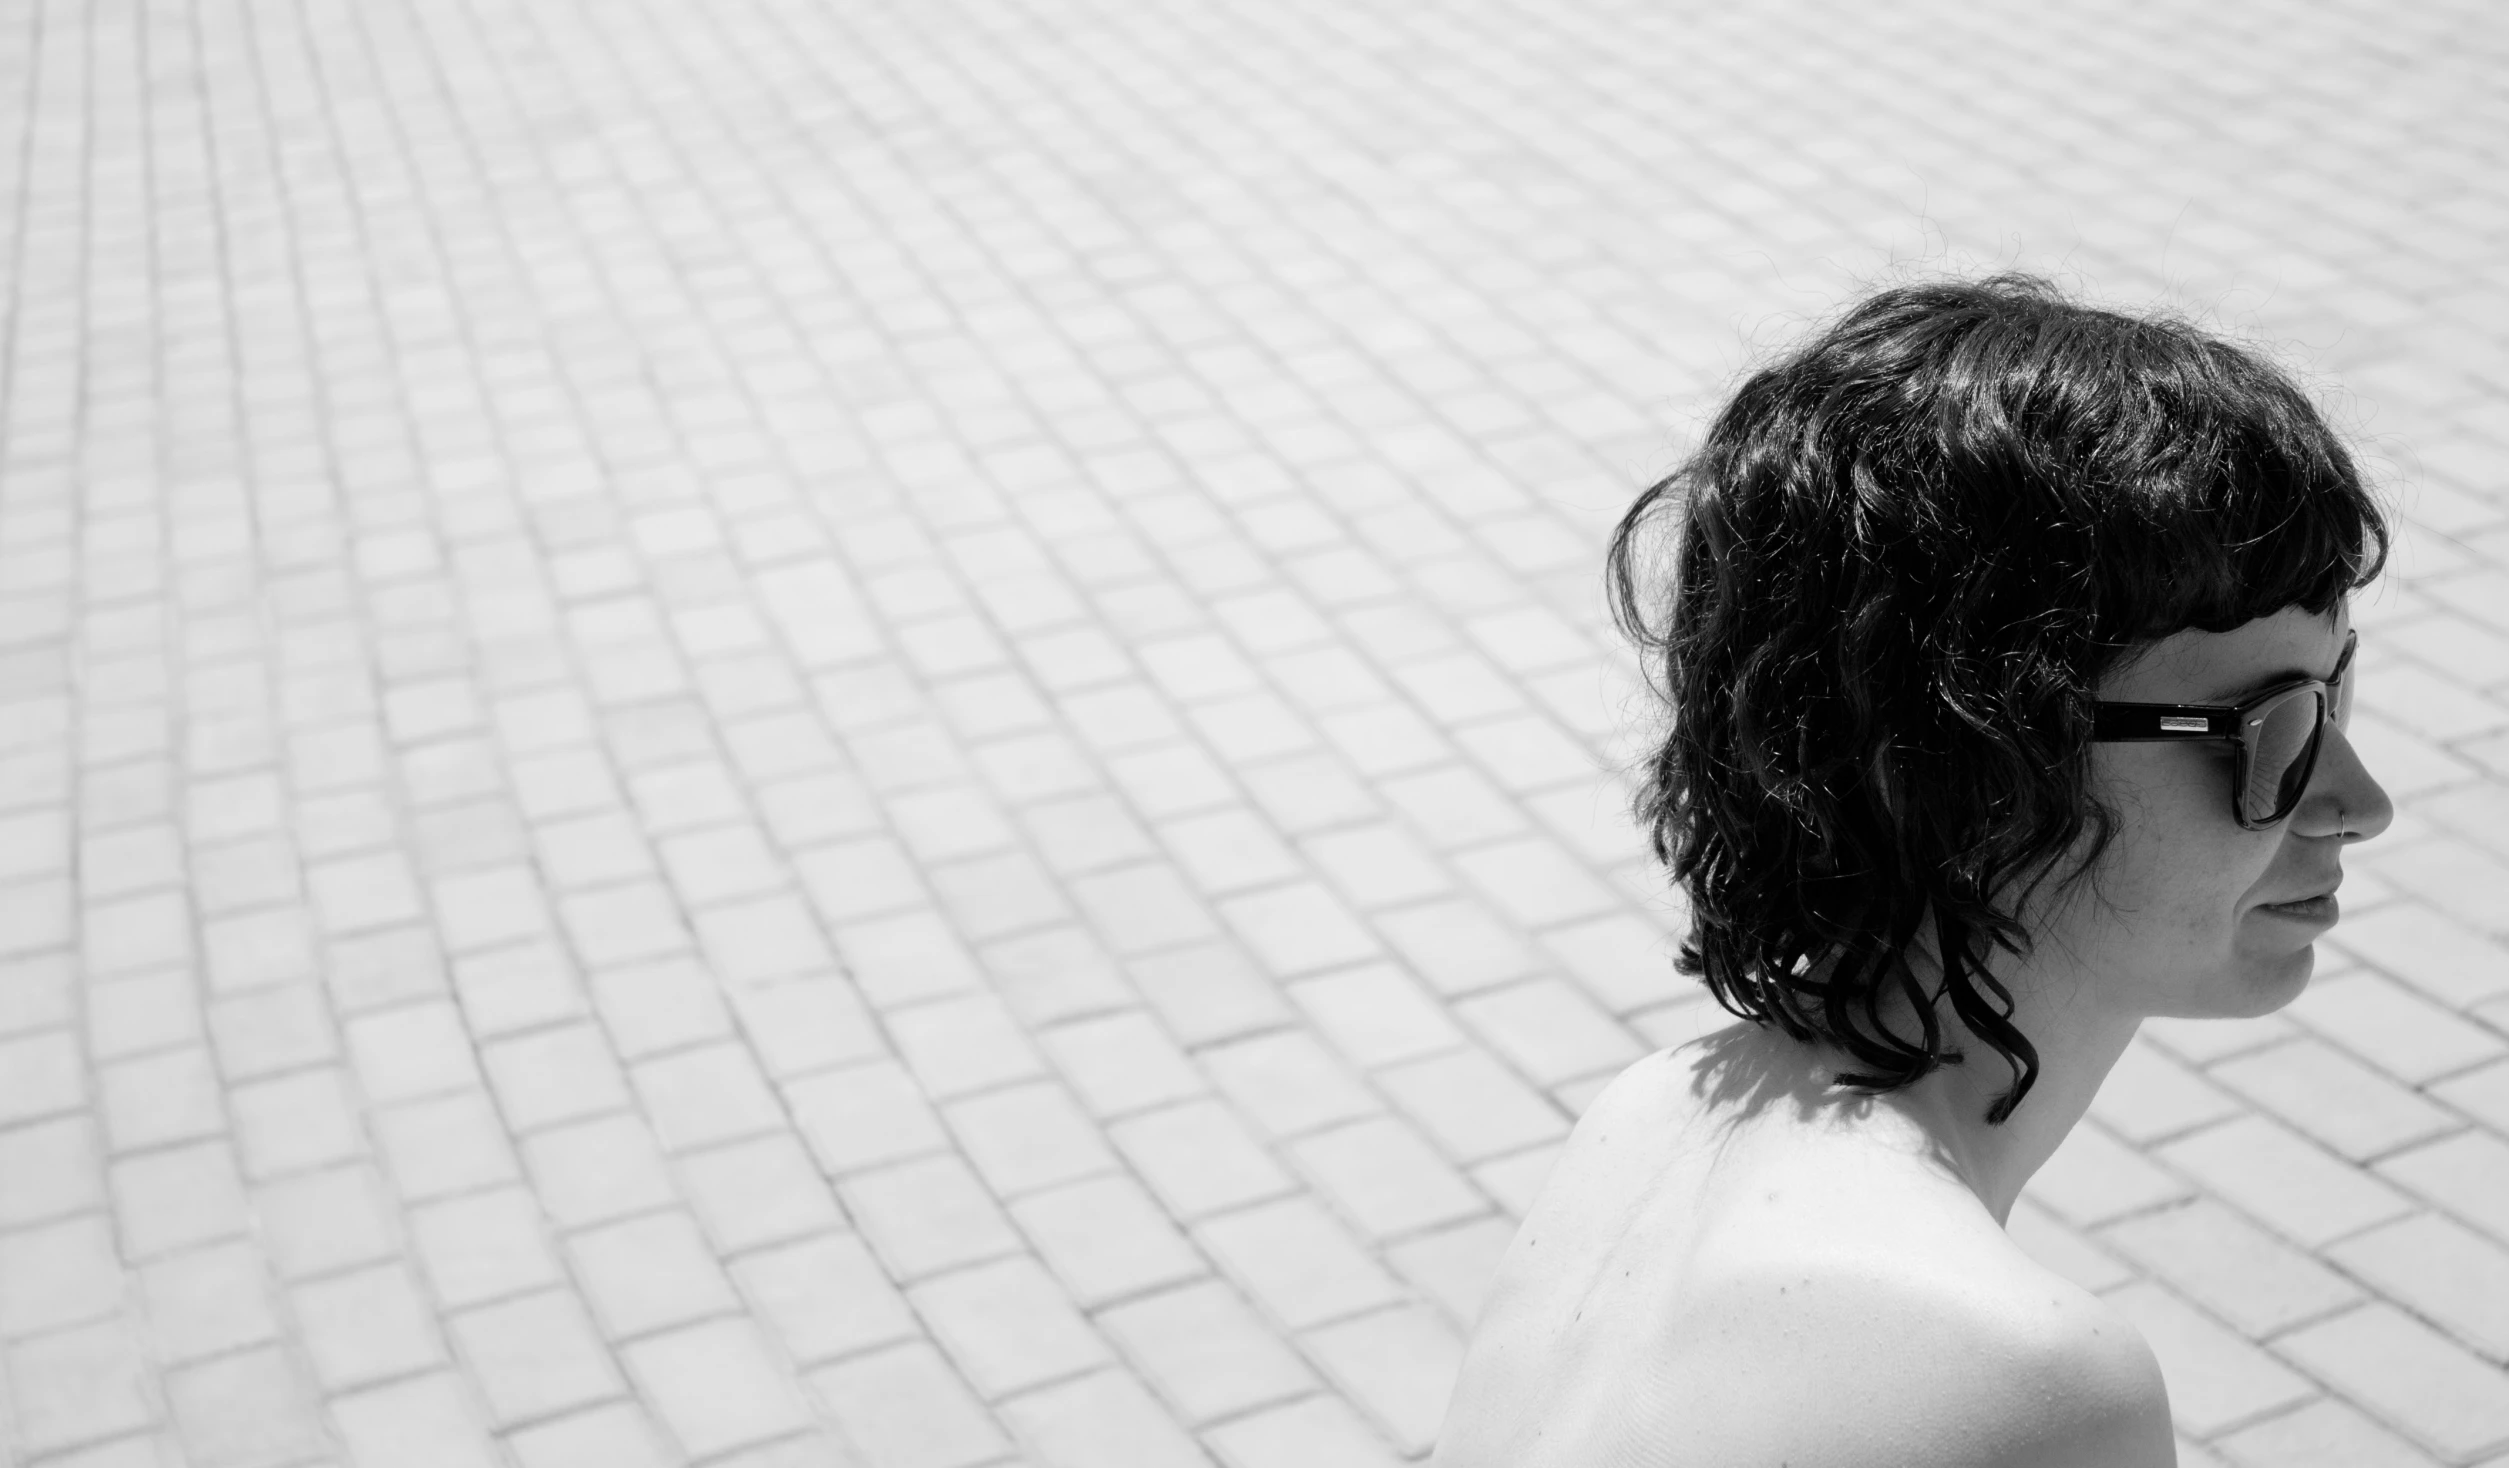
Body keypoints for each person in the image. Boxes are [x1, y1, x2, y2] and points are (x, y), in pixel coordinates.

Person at [1431, 276, 2392, 1468]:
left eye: (2337, 686)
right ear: (1986, 755)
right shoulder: (2015, 1377)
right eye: (2277, 724)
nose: (2361, 803)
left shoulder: (1655, 1115)